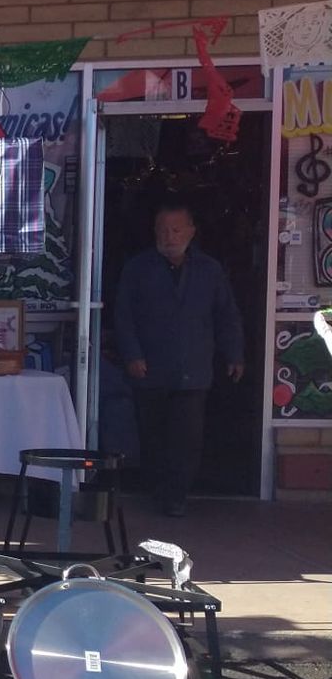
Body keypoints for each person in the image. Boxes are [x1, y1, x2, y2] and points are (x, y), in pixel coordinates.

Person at [112, 200, 244, 517]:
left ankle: (176, 495)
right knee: (153, 434)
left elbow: (227, 316)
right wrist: (132, 354)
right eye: (163, 230)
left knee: (187, 437)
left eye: (176, 230)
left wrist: (235, 354)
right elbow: (123, 316)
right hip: (150, 367)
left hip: (193, 367)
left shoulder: (209, 269)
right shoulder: (138, 268)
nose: (169, 237)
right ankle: (157, 488)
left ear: (191, 232)